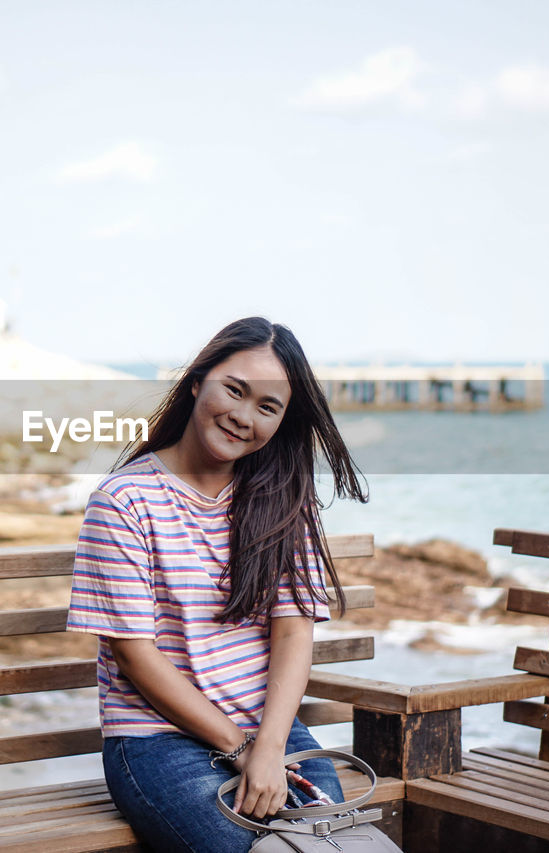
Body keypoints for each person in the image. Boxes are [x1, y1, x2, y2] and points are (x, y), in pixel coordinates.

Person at [66, 317, 368, 852]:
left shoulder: (282, 501)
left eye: (267, 407)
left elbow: (294, 634)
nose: (242, 416)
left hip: (272, 732)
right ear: (196, 382)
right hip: (156, 741)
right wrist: (239, 748)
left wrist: (270, 746)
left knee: (335, 844)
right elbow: (134, 655)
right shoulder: (125, 500)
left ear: (280, 423)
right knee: (249, 848)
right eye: (235, 389)